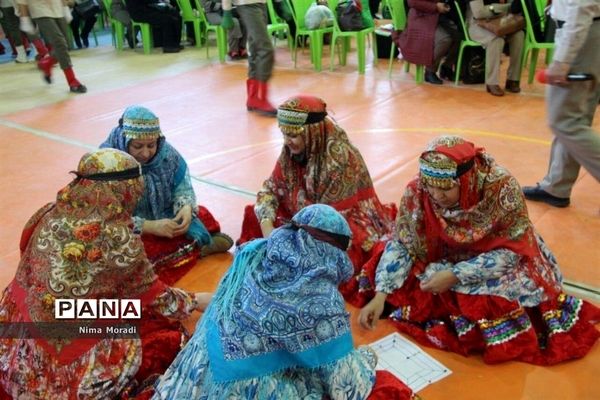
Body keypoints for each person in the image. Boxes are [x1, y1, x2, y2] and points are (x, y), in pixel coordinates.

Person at [358, 135, 600, 365]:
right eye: (430, 187)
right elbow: (405, 241)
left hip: (498, 257)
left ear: (466, 180)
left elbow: (513, 252)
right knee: (392, 259)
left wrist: (456, 274)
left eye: (445, 189)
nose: (436, 195)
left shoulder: (500, 188)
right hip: (444, 253)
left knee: (510, 290)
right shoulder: (419, 189)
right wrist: (382, 294)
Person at [0, 149, 212, 399]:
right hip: (67, 342)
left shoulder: (48, 212)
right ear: (126, 189)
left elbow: (25, 247)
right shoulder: (117, 237)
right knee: (131, 319)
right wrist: (196, 300)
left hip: (13, 336)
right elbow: (157, 297)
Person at [153, 204, 413, 400]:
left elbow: (229, 303)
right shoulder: (318, 298)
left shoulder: (254, 255)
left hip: (193, 375)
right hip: (239, 386)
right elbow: (347, 388)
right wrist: (366, 359)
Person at [238, 95, 396, 305]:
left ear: (312, 133)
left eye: (293, 135)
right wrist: (268, 230)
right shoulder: (292, 152)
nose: (287, 141)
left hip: (337, 226)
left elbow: (327, 225)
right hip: (301, 217)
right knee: (255, 214)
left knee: (338, 256)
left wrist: (283, 239)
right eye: (284, 134)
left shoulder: (339, 159)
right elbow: (270, 190)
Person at [100, 105, 234, 286]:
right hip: (129, 228)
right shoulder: (106, 163)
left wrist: (185, 208)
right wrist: (148, 226)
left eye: (151, 145)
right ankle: (195, 248)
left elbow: (182, 187)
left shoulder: (167, 155)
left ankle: (188, 248)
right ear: (124, 140)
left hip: (164, 217)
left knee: (201, 214)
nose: (146, 153)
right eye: (138, 146)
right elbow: (104, 216)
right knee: (128, 254)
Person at [522, 0, 600, 208]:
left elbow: (581, 6)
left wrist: (562, 61)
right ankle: (557, 186)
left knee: (566, 122)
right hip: (587, 31)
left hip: (582, 32)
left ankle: (556, 185)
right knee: (574, 119)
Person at [221, 0, 284, 116]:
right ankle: (260, 97)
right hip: (246, 5)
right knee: (265, 50)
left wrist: (279, 2)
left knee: (256, 49)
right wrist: (226, 11)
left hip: (261, 4)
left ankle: (253, 97)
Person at [16, 0, 87, 93]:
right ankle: (72, 81)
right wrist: (24, 19)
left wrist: (65, 7)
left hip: (58, 9)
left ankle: (46, 63)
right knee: (60, 44)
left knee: (64, 46)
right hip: (40, 11)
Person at [466, 0, 524, 96]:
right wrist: (503, 8)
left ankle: (513, 79)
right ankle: (492, 82)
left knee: (519, 35)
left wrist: (495, 8)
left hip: (501, 22)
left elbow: (514, 7)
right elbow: (479, 13)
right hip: (477, 25)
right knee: (496, 40)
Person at [397, 0, 462, 84]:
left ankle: (447, 66)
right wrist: (436, 6)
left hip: (440, 17)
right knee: (445, 39)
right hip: (421, 19)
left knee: (459, 36)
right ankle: (430, 70)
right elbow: (412, 2)